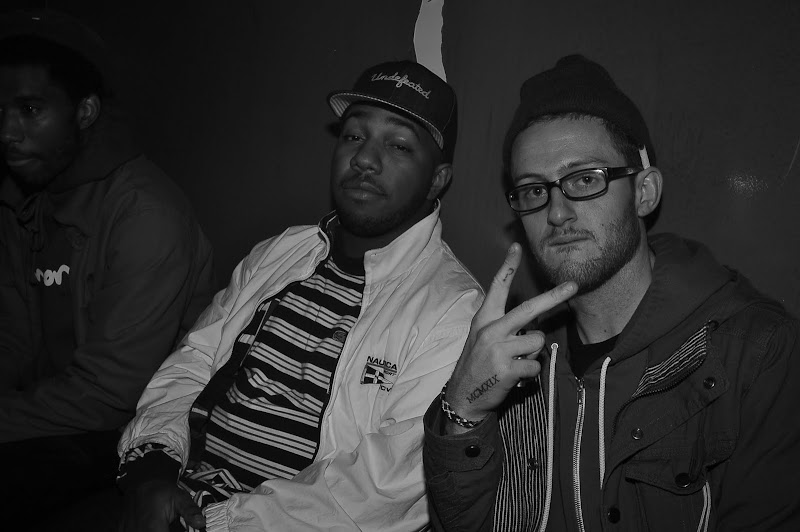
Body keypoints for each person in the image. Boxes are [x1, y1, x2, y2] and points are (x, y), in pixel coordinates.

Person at [423, 54, 800, 531]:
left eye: (585, 180)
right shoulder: (511, 357)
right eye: (534, 190)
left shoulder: (755, 351)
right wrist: (464, 408)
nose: (556, 212)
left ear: (644, 192)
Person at [116, 60, 483, 532]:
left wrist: (218, 522)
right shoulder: (281, 252)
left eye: (398, 145)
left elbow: (383, 491)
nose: (365, 159)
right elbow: (192, 361)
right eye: (354, 135)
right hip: (176, 495)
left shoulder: (453, 310)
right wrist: (151, 472)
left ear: (437, 179)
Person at [0, 8, 215, 523]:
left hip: (127, 431)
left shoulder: (146, 214)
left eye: (30, 110)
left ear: (85, 111)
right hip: (51, 410)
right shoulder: (22, 199)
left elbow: (110, 395)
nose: (8, 131)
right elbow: (12, 340)